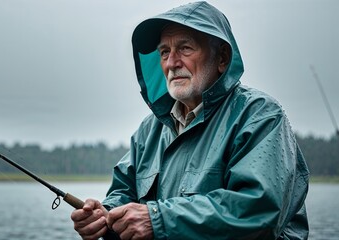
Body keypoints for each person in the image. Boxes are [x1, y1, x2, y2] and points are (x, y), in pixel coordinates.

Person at [71, 1, 309, 239]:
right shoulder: (149, 130)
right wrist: (105, 217)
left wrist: (157, 219)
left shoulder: (260, 115)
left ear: (222, 58)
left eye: (185, 49)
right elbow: (124, 191)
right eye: (164, 52)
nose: (172, 63)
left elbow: (258, 211)